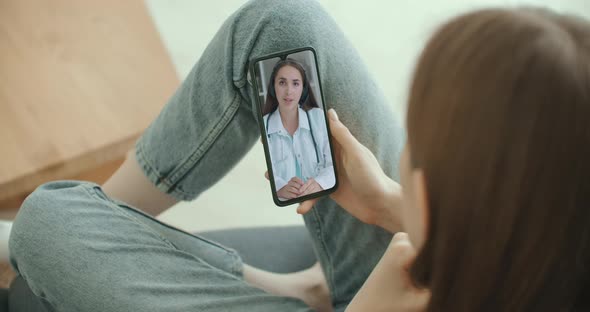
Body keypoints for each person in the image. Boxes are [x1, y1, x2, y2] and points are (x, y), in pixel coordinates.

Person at [8, 2, 590, 312]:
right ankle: (111, 216)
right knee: (285, 27)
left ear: (437, 200)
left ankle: (92, 234)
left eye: (420, 139)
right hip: (452, 265)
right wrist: (393, 207)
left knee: (46, 228)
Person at [262, 59, 335, 200]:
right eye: (282, 83)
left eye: (295, 83)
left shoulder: (318, 117)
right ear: (273, 88)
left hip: (323, 200)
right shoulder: (264, 125)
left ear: (303, 89)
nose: (289, 91)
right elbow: (268, 174)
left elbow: (334, 165)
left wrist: (320, 183)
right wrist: (280, 188)